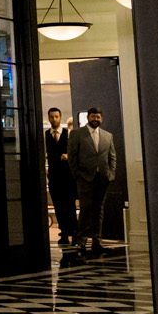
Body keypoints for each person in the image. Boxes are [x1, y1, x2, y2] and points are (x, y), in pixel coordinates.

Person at [68, 106, 117, 258]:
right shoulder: (77, 134)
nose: (95, 119)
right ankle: (81, 242)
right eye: (93, 117)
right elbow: (72, 156)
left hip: (102, 179)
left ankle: (97, 241)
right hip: (85, 178)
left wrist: (111, 174)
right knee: (85, 209)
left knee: (99, 210)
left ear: (101, 118)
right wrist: (77, 174)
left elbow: (112, 156)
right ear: (88, 117)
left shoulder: (108, 136)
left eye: (98, 117)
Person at [43, 107, 78, 248]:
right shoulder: (46, 135)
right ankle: (64, 232)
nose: (54, 119)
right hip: (54, 176)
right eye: (51, 117)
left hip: (67, 176)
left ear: (60, 117)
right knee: (58, 205)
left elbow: (76, 153)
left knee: (69, 205)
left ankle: (74, 232)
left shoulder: (68, 133)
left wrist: (68, 157)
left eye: (56, 116)